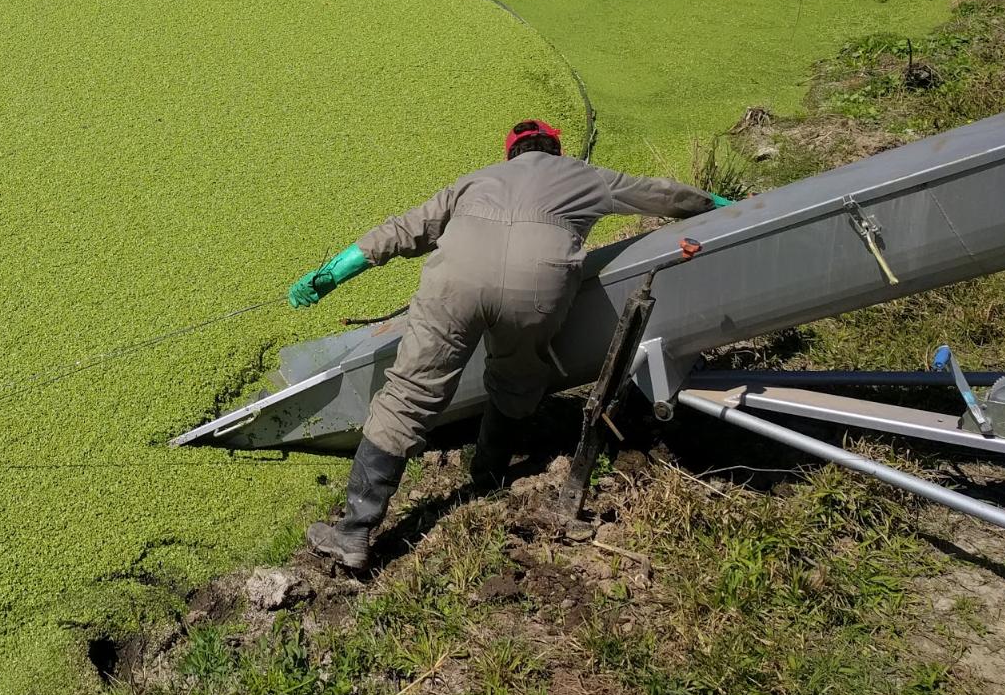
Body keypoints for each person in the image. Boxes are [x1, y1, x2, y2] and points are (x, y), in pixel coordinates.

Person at [287, 119, 729, 569]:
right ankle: (489, 477)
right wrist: (720, 204)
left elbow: (402, 231)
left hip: (455, 283)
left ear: (510, 154)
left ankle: (355, 531)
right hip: (539, 287)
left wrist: (330, 275)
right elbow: (659, 194)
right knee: (517, 377)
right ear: (554, 150)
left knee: (408, 395)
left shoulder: (475, 180)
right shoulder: (585, 174)